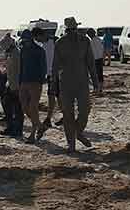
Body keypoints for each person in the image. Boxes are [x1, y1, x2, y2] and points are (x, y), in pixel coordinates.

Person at [54, 16, 102, 153]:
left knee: (85, 111)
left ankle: (78, 133)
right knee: (68, 115)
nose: (73, 32)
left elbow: (91, 64)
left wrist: (96, 83)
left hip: (82, 83)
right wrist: (53, 85)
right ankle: (71, 144)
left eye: (75, 29)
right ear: (66, 30)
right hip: (66, 84)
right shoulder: (60, 43)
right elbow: (55, 66)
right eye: (70, 30)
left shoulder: (84, 41)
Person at [17, 29, 47, 143]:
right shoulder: (23, 50)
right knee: (25, 108)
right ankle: (40, 126)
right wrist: (19, 82)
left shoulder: (40, 51)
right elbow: (21, 66)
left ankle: (33, 134)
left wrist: (40, 81)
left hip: (35, 82)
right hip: (24, 82)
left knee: (33, 108)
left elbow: (43, 68)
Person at [0, 32, 23, 137]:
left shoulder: (16, 54)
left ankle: (17, 130)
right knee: (7, 106)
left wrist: (16, 87)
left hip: (16, 85)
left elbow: (18, 71)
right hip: (10, 84)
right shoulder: (10, 54)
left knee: (17, 109)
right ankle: (10, 127)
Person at [38, 28, 59, 135]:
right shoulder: (42, 46)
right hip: (50, 76)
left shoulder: (56, 42)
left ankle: (65, 117)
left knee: (60, 97)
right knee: (51, 96)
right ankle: (49, 118)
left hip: (59, 74)